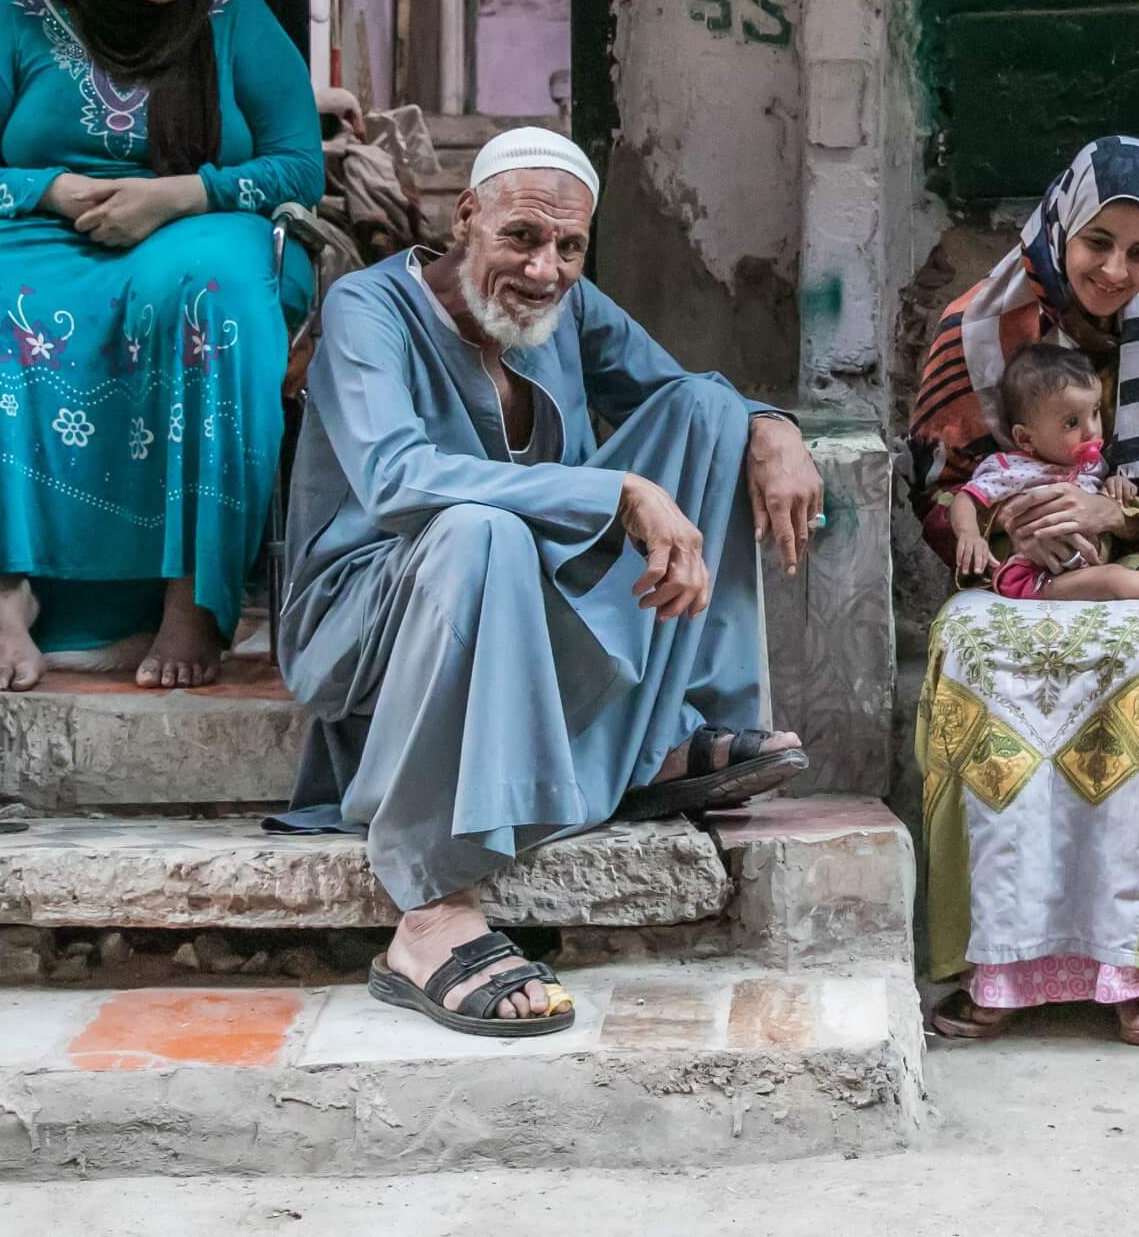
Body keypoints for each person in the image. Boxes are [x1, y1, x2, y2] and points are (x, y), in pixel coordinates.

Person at [272, 126, 825, 1037]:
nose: (546, 268)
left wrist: (770, 426)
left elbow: (680, 391)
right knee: (481, 529)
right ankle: (432, 908)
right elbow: (397, 479)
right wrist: (613, 490)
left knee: (705, 413)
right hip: (368, 618)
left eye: (570, 246)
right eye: (523, 236)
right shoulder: (367, 310)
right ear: (466, 218)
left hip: (513, 598)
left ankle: (664, 734)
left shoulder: (567, 303)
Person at [0, 0, 322, 692]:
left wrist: (174, 196)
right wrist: (49, 188)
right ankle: (3, 599)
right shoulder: (20, 22)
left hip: (197, 230)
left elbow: (297, 166)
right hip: (41, 233)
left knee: (214, 297)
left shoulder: (236, 18)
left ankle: (191, 600)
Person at [908, 137, 1139, 1048]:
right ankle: (994, 960)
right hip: (1005, 580)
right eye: (1098, 243)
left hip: (1136, 573)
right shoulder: (976, 327)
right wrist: (1013, 528)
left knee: (1131, 654)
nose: (1117, 269)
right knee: (973, 656)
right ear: (1059, 228)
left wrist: (1113, 515)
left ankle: (1133, 960)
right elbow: (936, 481)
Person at [949, 343, 1139, 613]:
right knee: (1113, 579)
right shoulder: (1012, 469)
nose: (1091, 431)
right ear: (1025, 438)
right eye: (1071, 423)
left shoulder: (1092, 466)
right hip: (1036, 576)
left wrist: (1114, 486)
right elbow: (966, 497)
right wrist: (969, 535)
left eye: (1094, 412)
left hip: (1087, 565)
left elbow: (1099, 494)